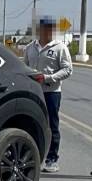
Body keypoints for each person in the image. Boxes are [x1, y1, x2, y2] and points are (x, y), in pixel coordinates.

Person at [23, 16, 73, 172]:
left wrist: (47, 78)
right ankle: (31, 157)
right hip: (34, 92)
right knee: (30, 123)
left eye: (51, 29)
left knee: (52, 125)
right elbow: (24, 67)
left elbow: (68, 70)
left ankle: (52, 159)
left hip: (51, 92)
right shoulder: (30, 47)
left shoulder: (60, 47)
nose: (48, 32)